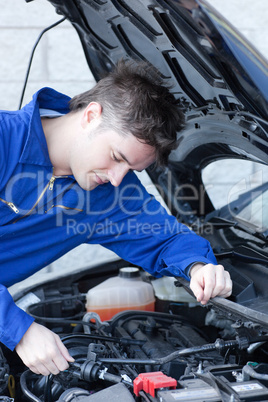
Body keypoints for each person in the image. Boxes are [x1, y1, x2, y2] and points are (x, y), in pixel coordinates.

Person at [0, 59, 232, 376]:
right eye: (116, 157)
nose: (117, 178)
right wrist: (18, 329)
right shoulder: (4, 140)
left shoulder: (108, 197)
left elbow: (167, 239)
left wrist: (198, 266)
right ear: (92, 115)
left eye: (131, 170)